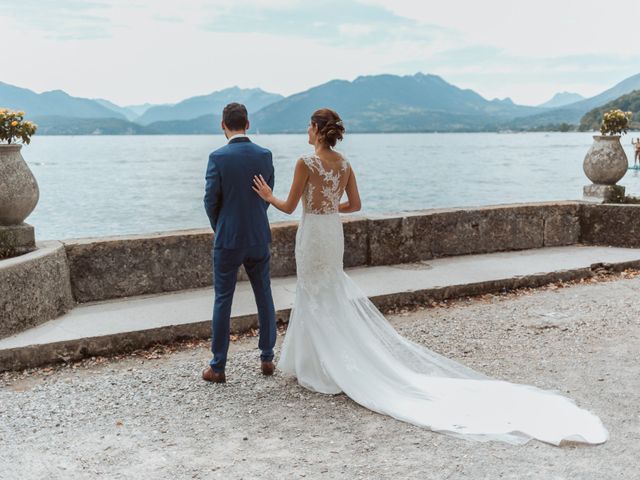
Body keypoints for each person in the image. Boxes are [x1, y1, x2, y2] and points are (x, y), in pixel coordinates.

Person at [251, 107, 609, 446]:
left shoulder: (306, 162)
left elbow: (289, 205)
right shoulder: (343, 163)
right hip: (331, 231)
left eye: (308, 126)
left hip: (313, 231)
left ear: (315, 129)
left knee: (313, 290)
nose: (306, 131)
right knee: (327, 290)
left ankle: (317, 366)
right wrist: (331, 207)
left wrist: (268, 195)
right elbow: (356, 205)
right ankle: (319, 360)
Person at [202, 102, 277, 383]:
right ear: (247, 123)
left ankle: (218, 366)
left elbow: (211, 200)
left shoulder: (218, 157)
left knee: (223, 299)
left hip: (228, 237)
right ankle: (267, 358)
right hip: (258, 235)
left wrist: (220, 226)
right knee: (264, 294)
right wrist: (255, 219)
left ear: (223, 125)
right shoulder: (264, 155)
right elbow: (267, 194)